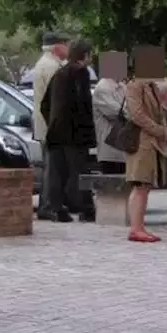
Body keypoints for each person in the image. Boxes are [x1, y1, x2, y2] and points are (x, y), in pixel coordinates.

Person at [41, 40, 97, 222]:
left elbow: (45, 104)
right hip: (74, 133)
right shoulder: (80, 74)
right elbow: (81, 104)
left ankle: (56, 208)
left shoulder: (59, 74)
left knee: (58, 172)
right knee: (79, 171)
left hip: (57, 131)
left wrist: (53, 123)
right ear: (85, 55)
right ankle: (85, 208)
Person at [124, 78, 167, 243]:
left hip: (152, 142)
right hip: (141, 141)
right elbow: (136, 114)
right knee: (140, 184)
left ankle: (139, 226)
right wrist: (159, 130)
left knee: (145, 185)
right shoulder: (135, 85)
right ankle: (136, 228)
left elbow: (161, 109)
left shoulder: (151, 85)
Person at [33, 32, 69, 220]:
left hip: (47, 124)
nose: (68, 48)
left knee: (53, 166)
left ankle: (50, 203)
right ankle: (47, 205)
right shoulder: (51, 66)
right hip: (51, 125)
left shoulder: (47, 64)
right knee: (52, 167)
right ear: (57, 47)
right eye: (66, 44)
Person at [92, 69, 127, 175]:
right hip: (110, 148)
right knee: (110, 186)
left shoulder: (122, 86)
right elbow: (116, 112)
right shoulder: (102, 88)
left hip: (123, 147)